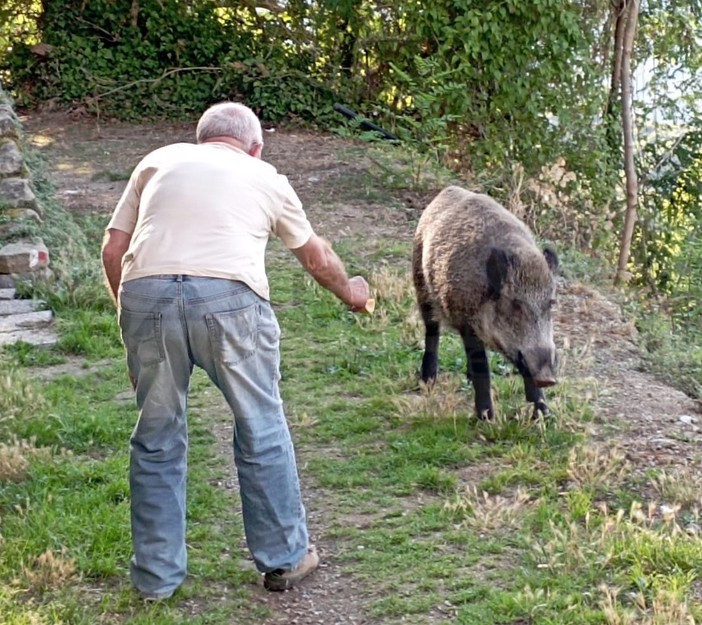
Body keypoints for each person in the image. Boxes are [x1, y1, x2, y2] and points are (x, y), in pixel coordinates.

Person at [101, 101, 371, 600]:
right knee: (260, 425)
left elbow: (113, 250)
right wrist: (353, 293)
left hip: (146, 293)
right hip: (229, 299)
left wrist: (134, 324)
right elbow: (316, 256)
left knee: (156, 438)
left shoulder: (157, 161)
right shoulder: (264, 174)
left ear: (200, 138)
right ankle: (286, 559)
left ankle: (156, 580)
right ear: (256, 145)